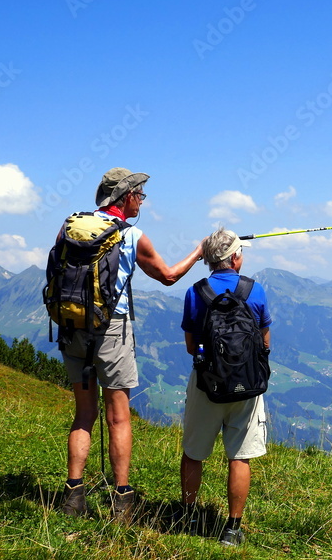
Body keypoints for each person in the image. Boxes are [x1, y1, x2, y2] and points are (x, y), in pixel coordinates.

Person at [59, 167, 203, 520]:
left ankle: (73, 496)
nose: (142, 200)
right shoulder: (131, 235)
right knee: (118, 417)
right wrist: (198, 252)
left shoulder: (71, 226)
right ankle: (121, 500)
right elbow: (168, 276)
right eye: (139, 195)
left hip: (72, 325)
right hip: (111, 328)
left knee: (84, 414)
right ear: (125, 198)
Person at [180, 227, 271, 546]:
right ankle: (232, 529)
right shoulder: (255, 290)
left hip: (207, 384)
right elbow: (264, 340)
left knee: (193, 454)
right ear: (234, 258)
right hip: (247, 386)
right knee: (239, 457)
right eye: (241, 252)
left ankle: (188, 520)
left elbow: (192, 345)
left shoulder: (196, 292)